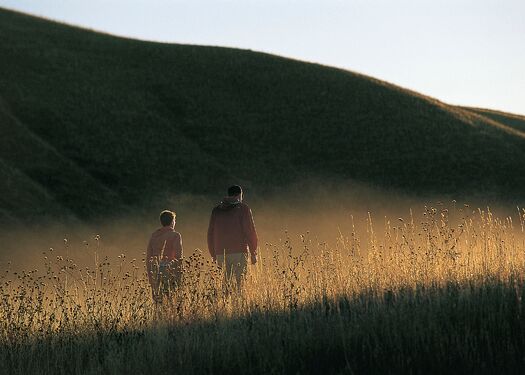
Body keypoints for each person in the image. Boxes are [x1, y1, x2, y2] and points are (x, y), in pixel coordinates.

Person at [207, 185, 258, 286]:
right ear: (240, 195)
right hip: (239, 251)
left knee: (225, 284)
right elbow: (249, 231)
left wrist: (213, 254)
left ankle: (225, 301)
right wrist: (253, 252)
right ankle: (238, 301)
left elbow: (210, 234)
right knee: (240, 283)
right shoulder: (243, 208)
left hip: (220, 253)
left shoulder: (216, 210)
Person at [146, 210, 183, 303]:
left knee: (158, 301)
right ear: (172, 222)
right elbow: (178, 257)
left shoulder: (154, 236)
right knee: (172, 301)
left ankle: (159, 317)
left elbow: (148, 257)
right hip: (169, 270)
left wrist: (150, 276)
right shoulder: (175, 235)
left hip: (155, 269)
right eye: (174, 220)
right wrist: (179, 275)